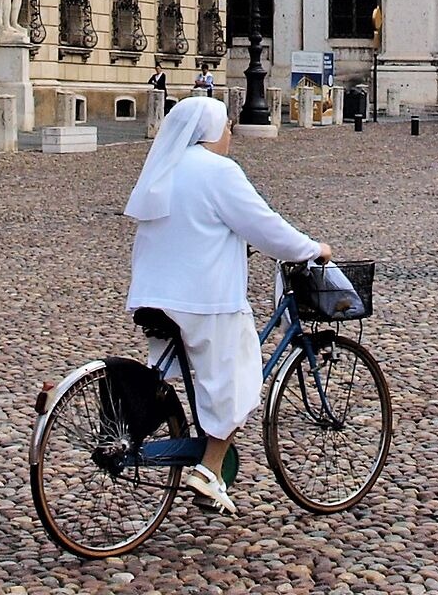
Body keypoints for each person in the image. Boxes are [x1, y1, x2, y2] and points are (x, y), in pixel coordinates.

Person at [124, 97, 330, 516]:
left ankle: (167, 435)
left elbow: (192, 227)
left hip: (152, 296)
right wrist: (313, 248)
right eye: (229, 128)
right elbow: (265, 224)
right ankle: (210, 467)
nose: (232, 136)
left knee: (194, 374)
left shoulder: (165, 167)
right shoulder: (219, 172)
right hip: (204, 301)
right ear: (213, 131)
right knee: (241, 378)